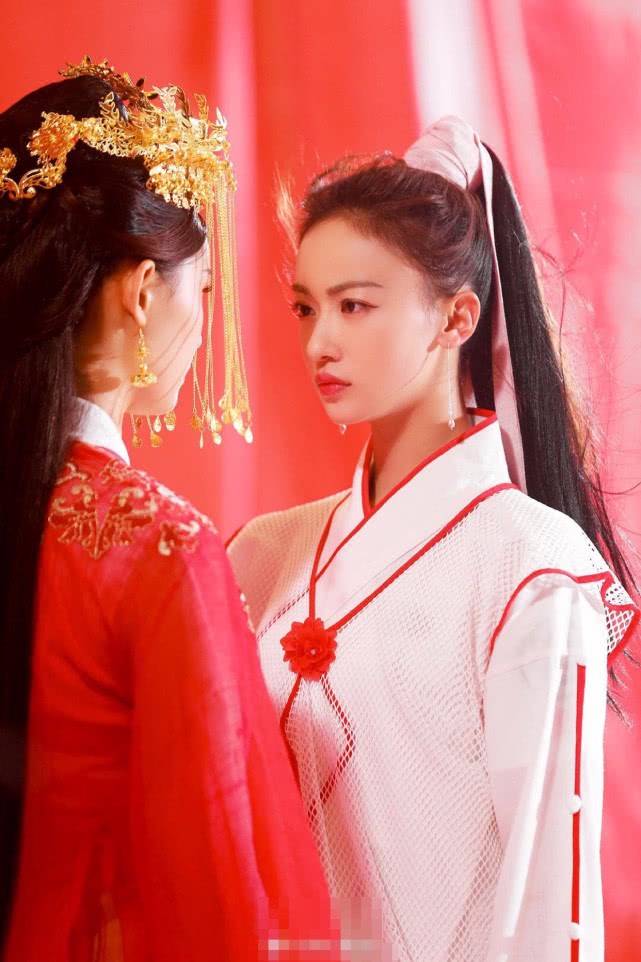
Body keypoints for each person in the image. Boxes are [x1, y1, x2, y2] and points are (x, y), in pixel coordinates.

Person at [227, 116, 640, 962]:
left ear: (456, 317)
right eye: (306, 307)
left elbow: (549, 900)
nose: (319, 341)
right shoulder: (263, 554)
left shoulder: (531, 567)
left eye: (354, 305)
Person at [0, 58, 338, 962]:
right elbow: (218, 888)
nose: (202, 321)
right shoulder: (157, 547)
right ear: (143, 292)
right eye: (205, 290)